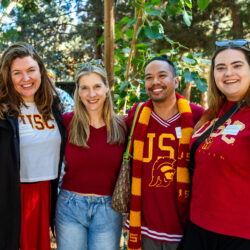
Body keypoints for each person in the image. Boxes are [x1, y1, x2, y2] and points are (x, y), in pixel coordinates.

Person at [125, 55, 204, 250]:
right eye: (149, 77)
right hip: (144, 229)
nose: (155, 82)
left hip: (185, 228)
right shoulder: (136, 115)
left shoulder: (197, 117)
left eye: (162, 75)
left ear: (176, 81)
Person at [178, 39, 250, 250]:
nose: (228, 73)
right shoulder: (210, 115)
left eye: (237, 65)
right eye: (221, 68)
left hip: (239, 236)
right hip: (198, 228)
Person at [0, 42, 65, 250]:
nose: (26, 78)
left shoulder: (53, 106)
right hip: (12, 196)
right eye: (17, 73)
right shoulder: (2, 112)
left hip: (46, 193)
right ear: (7, 77)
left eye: (30, 70)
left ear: (40, 71)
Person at [55, 63, 127, 250]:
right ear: (78, 92)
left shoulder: (122, 127)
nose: (91, 94)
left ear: (106, 88)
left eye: (96, 86)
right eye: (84, 88)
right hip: (70, 207)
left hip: (109, 209)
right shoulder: (66, 122)